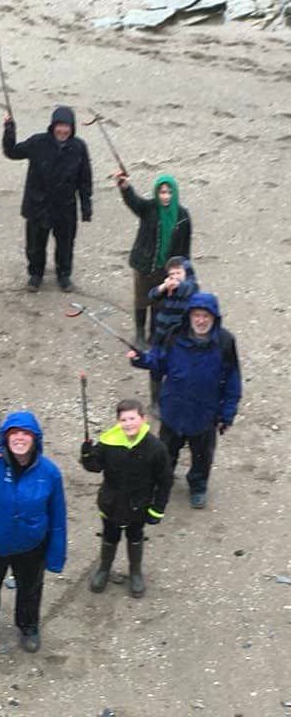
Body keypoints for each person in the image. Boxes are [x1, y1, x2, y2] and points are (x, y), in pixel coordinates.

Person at [0, 411, 67, 654]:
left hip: (30, 545)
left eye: (25, 433)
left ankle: (29, 626)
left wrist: (56, 556)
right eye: (13, 433)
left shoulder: (50, 473)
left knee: (30, 588)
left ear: (35, 439)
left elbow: (58, 517)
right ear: (5, 438)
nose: (19, 438)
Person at [128, 293, 241, 509]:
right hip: (173, 411)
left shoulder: (225, 342)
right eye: (197, 315)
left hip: (205, 415)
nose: (201, 320)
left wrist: (227, 414)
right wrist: (141, 359)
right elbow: (158, 361)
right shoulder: (174, 336)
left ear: (214, 317)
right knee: (165, 452)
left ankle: (198, 486)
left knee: (202, 456)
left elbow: (233, 381)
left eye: (205, 316)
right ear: (189, 316)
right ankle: (161, 482)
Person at [80, 399, 172, 598]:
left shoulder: (156, 448)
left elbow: (165, 481)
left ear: (143, 419)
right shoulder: (108, 442)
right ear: (117, 422)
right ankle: (104, 568)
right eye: (123, 419)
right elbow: (95, 467)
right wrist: (87, 455)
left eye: (132, 418)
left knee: (135, 535)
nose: (128, 423)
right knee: (110, 535)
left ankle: (135, 572)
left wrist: (157, 509)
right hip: (111, 504)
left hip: (139, 506)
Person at [2, 107, 92, 293]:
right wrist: (9, 129)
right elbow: (11, 152)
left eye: (66, 126)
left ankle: (64, 275)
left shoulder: (79, 147)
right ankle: (35, 275)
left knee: (65, 244)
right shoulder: (38, 142)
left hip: (65, 207)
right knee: (35, 244)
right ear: (53, 126)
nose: (62, 130)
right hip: (38, 205)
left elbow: (85, 180)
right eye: (59, 126)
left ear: (72, 127)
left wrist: (86, 206)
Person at [115, 171, 192, 349]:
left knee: (160, 303)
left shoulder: (183, 216)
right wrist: (125, 187)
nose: (165, 196)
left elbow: (185, 246)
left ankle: (154, 334)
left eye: (169, 192)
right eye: (162, 192)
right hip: (144, 265)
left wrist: (183, 269)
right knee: (142, 300)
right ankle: (140, 333)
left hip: (166, 270)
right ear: (157, 193)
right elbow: (133, 201)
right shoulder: (149, 208)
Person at [146, 256, 199, 414]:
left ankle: (175, 399)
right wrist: (163, 287)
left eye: (178, 272)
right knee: (155, 366)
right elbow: (152, 295)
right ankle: (155, 401)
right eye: (171, 274)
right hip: (160, 336)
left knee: (177, 369)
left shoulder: (191, 287)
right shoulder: (167, 289)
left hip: (178, 339)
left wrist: (177, 284)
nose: (175, 276)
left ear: (187, 273)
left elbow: (188, 288)